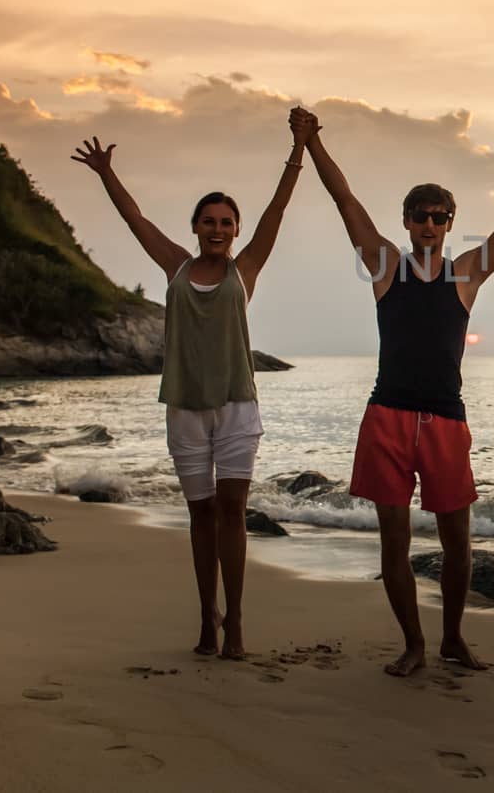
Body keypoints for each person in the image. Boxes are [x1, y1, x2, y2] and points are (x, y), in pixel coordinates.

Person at [296, 106, 494, 676]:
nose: (429, 224)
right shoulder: (385, 267)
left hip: (446, 421)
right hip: (389, 416)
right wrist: (312, 143)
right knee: (393, 544)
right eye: (421, 216)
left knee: (459, 545)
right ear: (405, 221)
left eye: (440, 217)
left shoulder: (466, 273)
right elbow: (345, 202)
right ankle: (414, 645)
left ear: (450, 223)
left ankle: (451, 638)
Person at [71, 114, 312, 660]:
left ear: (235, 230)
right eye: (209, 221)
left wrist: (298, 149)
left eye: (227, 222)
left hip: (236, 410)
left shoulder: (244, 271)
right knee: (200, 515)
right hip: (183, 410)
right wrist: (107, 174)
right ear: (196, 228)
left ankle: (238, 623)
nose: (219, 229)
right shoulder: (175, 268)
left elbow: (276, 212)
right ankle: (208, 616)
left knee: (232, 513)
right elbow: (135, 219)